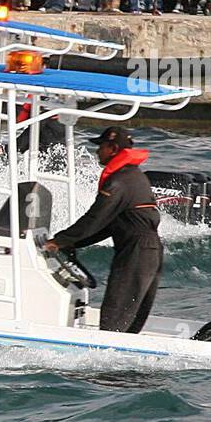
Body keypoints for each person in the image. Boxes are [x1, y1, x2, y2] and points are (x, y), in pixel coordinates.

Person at [43, 127, 162, 334]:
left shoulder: (119, 182)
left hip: (137, 251)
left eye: (101, 147)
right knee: (128, 322)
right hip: (149, 251)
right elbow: (109, 226)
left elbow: (94, 219)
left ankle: (106, 359)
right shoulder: (133, 176)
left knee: (114, 318)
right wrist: (73, 242)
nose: (98, 152)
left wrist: (58, 241)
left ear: (113, 148)